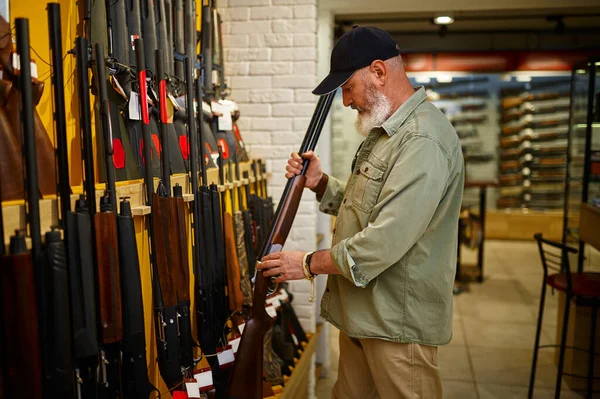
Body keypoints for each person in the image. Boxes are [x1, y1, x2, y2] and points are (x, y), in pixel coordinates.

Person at [257, 26, 464, 399]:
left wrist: (306, 263)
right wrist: (321, 183)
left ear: (379, 72)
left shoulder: (421, 140)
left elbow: (384, 241)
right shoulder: (387, 134)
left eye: (347, 88)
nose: (346, 101)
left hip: (396, 325)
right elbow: (368, 206)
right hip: (364, 315)